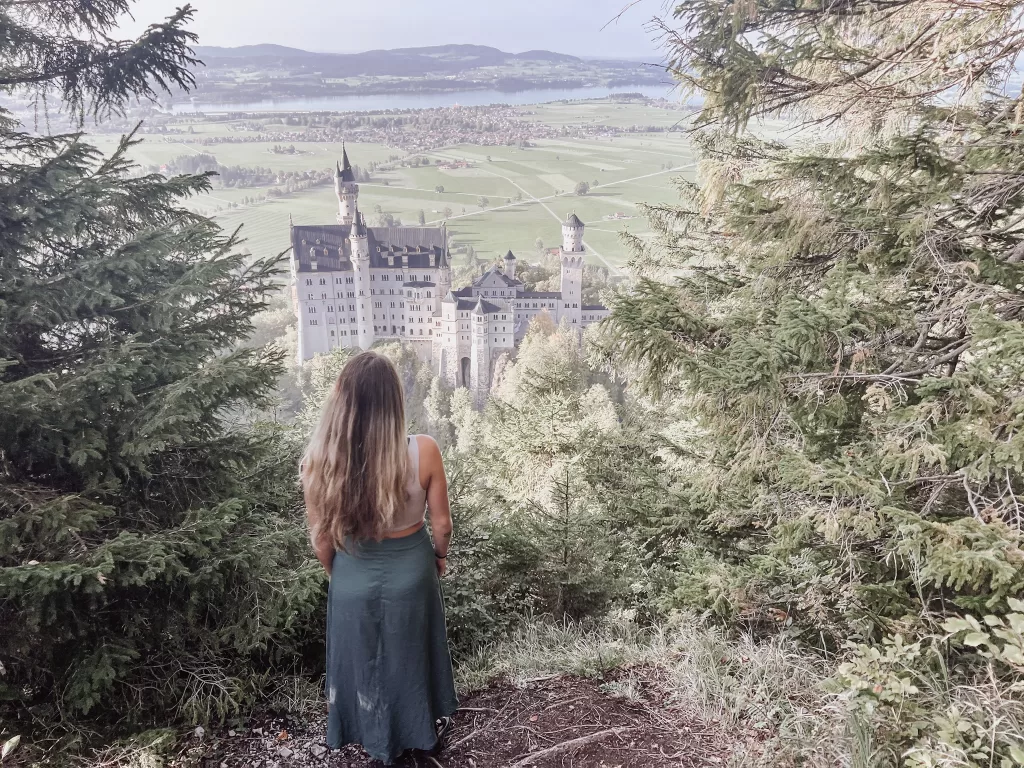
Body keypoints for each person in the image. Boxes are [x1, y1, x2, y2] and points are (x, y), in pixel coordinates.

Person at [301, 351, 458, 764]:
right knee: (411, 652)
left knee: (366, 661)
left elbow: (320, 540)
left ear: (342, 400)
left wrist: (343, 573)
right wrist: (438, 558)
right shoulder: (424, 451)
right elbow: (441, 525)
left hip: (352, 571)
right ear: (394, 399)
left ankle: (375, 740)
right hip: (412, 568)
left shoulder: (319, 461)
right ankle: (422, 738)